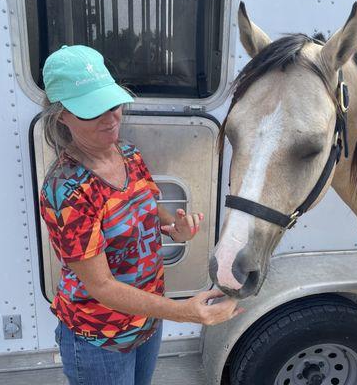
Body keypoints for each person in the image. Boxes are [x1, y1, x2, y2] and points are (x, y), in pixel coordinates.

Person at [38, 45, 241, 385]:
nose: (111, 117)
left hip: (145, 321)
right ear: (62, 116)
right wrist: (184, 311)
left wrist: (174, 228)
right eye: (93, 111)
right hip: (100, 340)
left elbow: (146, 207)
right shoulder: (66, 190)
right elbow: (101, 286)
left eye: (113, 103)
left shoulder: (127, 153)